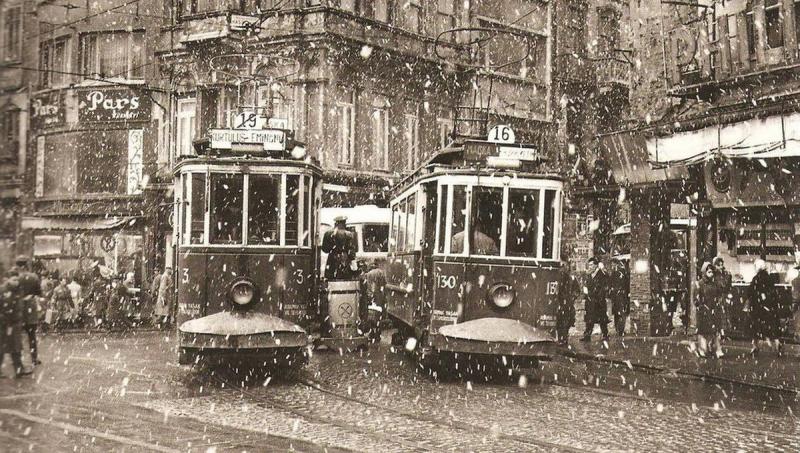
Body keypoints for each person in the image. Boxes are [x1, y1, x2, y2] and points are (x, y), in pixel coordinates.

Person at [0, 278, 32, 378]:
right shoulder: (10, 295)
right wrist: (8, 325)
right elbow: (8, 311)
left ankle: (19, 369)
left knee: (11, 348)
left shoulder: (12, 294)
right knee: (13, 348)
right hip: (10, 325)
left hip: (11, 325)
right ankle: (19, 369)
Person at [748, 259, 782, 356]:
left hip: (758, 308)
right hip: (770, 306)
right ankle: (777, 343)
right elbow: (773, 293)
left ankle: (755, 347)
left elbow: (750, 292)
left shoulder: (756, 279)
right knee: (772, 327)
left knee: (756, 328)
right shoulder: (769, 278)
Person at [15, 257, 42, 366]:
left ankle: (18, 362)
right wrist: (30, 295)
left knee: (17, 336)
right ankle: (34, 359)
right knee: (32, 336)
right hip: (30, 308)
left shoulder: (16, 278)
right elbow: (39, 292)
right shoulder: (34, 277)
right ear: (26, 265)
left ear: (19, 266)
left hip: (19, 308)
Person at [694, 262, 724, 358]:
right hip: (704, 311)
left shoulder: (715, 283)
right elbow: (696, 299)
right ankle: (702, 349)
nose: (711, 274)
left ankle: (717, 349)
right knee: (703, 331)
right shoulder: (699, 284)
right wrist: (702, 306)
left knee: (715, 331)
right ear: (704, 272)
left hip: (714, 310)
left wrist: (718, 302)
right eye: (709, 271)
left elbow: (720, 294)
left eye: (712, 272)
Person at [581, 257, 610, 343]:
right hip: (590, 300)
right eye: (589, 265)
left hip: (599, 301)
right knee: (589, 318)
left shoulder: (602, 274)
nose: (589, 267)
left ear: (596, 265)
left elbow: (605, 285)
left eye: (591, 265)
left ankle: (605, 334)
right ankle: (587, 335)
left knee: (602, 319)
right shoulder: (589, 275)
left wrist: (599, 295)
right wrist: (586, 294)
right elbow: (586, 285)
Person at [556, 254, 580, 345]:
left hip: (567, 302)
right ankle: (561, 338)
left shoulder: (571, 278)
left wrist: (572, 297)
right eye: (562, 265)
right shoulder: (558, 275)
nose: (563, 267)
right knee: (561, 321)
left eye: (565, 265)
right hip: (561, 301)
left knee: (566, 320)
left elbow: (577, 290)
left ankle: (563, 338)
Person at [609, 259, 630, 337]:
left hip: (621, 296)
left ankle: (620, 330)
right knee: (618, 313)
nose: (612, 266)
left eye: (613, 265)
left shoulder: (622, 272)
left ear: (616, 264)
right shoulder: (615, 273)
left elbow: (626, 283)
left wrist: (627, 293)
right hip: (617, 296)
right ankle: (618, 329)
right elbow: (610, 283)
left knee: (620, 313)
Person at [713, 256, 733, 337]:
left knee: (723, 313)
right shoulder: (717, 274)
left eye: (721, 265)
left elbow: (725, 285)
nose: (720, 267)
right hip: (719, 296)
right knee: (721, 314)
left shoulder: (724, 274)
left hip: (722, 296)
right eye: (718, 265)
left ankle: (723, 330)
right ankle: (721, 330)